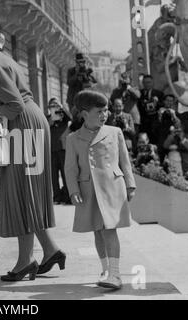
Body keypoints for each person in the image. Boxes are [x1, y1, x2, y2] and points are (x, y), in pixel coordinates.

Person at [0, 16, 66, 281]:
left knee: (21, 191)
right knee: (25, 190)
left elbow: (15, 105)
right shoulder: (0, 57)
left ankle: (24, 262)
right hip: (29, 123)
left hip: (23, 124)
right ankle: (49, 250)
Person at [64, 90, 136, 290]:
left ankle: (115, 274)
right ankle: (105, 270)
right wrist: (73, 190)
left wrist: (130, 184)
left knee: (109, 230)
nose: (105, 115)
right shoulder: (73, 138)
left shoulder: (115, 132)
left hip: (112, 188)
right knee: (97, 231)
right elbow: (70, 168)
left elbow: (125, 161)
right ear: (84, 114)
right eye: (99, 111)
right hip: (88, 191)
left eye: (106, 110)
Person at [47, 98, 72, 205]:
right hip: (52, 149)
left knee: (65, 173)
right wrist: (50, 121)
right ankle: (56, 197)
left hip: (63, 149)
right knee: (53, 175)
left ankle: (67, 196)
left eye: (55, 105)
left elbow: (70, 117)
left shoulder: (64, 116)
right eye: (52, 106)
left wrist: (61, 108)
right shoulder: (48, 118)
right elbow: (44, 128)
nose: (54, 107)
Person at [138, 75, 164, 144]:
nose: (147, 84)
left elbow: (163, 106)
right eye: (145, 82)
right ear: (143, 83)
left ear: (153, 83)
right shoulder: (139, 93)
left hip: (155, 123)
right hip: (143, 123)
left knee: (155, 142)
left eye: (149, 82)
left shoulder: (159, 93)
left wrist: (157, 102)